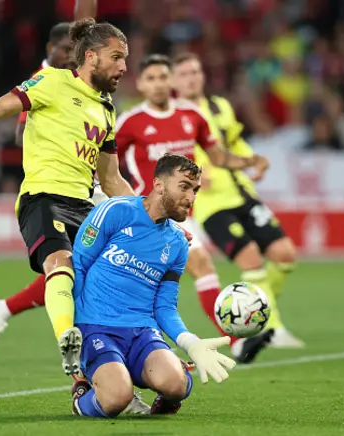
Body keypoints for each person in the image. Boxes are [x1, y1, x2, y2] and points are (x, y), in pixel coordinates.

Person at [0, 18, 135, 375]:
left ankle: (97, 379)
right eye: (117, 57)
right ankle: (68, 340)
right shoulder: (51, 81)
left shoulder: (106, 108)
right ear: (92, 57)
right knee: (60, 264)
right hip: (43, 196)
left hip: (84, 207)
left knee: (97, 291)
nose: (124, 66)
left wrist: (147, 213)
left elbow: (111, 179)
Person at [115, 54, 270, 359]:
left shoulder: (191, 115)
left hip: (182, 215)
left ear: (171, 81)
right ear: (141, 84)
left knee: (191, 270)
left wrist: (252, 160)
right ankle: (223, 341)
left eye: (163, 77)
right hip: (147, 214)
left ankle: (226, 342)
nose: (158, 84)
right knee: (154, 281)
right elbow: (104, 163)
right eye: (151, 78)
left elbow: (218, 157)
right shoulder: (130, 122)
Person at [71, 153, 235, 417]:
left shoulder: (179, 244)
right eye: (184, 187)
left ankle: (165, 395)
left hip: (142, 332)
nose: (191, 198)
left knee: (176, 384)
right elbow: (77, 269)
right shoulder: (116, 211)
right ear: (159, 185)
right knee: (116, 399)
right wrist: (72, 332)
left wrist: (190, 343)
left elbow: (164, 307)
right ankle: (82, 396)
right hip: (96, 328)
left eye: (195, 190)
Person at [171, 52, 304, 363]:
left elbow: (233, 143)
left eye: (195, 71)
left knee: (285, 255)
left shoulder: (219, 106)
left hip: (242, 193)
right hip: (210, 204)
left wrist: (251, 161)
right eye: (185, 73)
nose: (192, 77)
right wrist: (196, 176)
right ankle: (272, 327)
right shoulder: (176, 116)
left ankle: (253, 307)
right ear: (175, 81)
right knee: (251, 260)